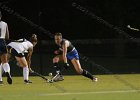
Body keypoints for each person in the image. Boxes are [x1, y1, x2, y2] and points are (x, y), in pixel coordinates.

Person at [0, 11, 12, 85]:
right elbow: (7, 36)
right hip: (2, 42)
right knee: (5, 61)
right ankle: (7, 73)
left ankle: (0, 80)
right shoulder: (5, 24)